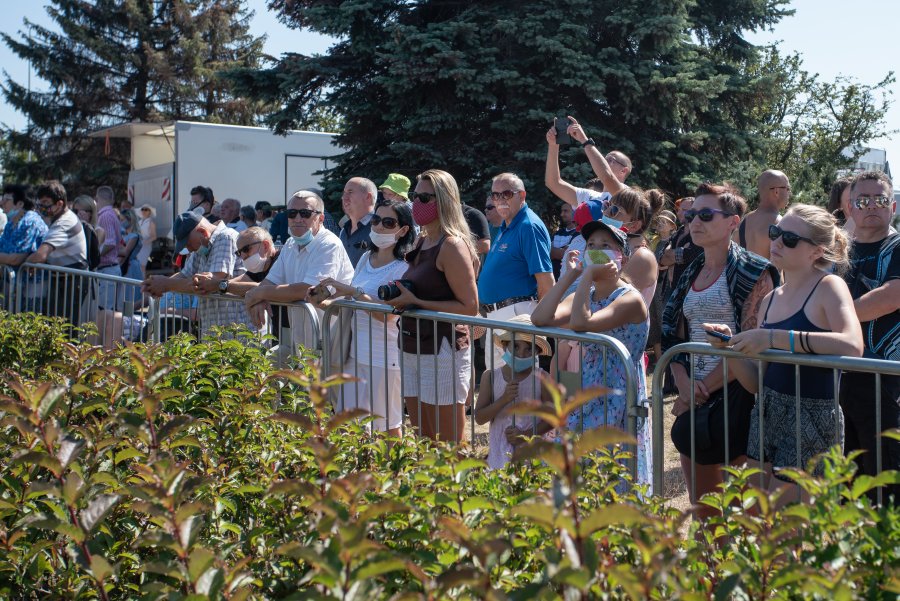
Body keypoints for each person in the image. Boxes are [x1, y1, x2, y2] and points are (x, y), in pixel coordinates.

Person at [704, 204, 863, 503]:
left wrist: (776, 338)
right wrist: (730, 349)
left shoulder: (830, 286)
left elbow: (853, 344)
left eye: (789, 239)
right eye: (776, 232)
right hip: (767, 412)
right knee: (761, 521)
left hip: (811, 417)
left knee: (789, 529)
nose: (776, 242)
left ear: (816, 251)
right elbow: (756, 384)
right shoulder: (770, 299)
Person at [662, 183, 778, 518]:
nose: (695, 221)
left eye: (706, 214)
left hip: (739, 398)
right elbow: (673, 332)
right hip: (695, 399)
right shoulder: (692, 270)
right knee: (705, 515)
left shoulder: (753, 271)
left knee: (744, 518)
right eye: (691, 214)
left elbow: (749, 341)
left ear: (732, 222)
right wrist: (682, 381)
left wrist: (699, 390)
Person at [530, 219, 652, 488]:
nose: (595, 250)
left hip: (618, 394)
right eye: (591, 245)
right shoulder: (586, 293)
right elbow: (540, 317)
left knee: (611, 471)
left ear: (621, 257)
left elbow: (581, 323)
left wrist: (585, 276)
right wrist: (571, 276)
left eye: (605, 245)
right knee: (575, 469)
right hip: (587, 390)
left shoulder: (630, 298)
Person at [383, 169, 479, 443]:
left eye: (425, 197)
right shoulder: (422, 240)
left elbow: (470, 307)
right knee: (423, 438)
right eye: (415, 196)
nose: (416, 203)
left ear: (444, 201)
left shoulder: (452, 245)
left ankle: (454, 487)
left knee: (447, 443)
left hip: (443, 349)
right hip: (413, 345)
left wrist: (417, 302)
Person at [314, 199, 416, 437]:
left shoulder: (403, 268)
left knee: (387, 427)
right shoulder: (364, 259)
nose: (379, 226)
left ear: (402, 230)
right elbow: (351, 305)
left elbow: (388, 316)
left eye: (388, 222)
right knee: (350, 425)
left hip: (384, 358)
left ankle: (394, 472)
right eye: (376, 220)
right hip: (353, 353)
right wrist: (322, 302)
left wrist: (353, 291)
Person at [839, 171, 900, 501]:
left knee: (886, 479)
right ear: (850, 207)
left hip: (886, 380)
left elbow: (891, 296)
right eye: (863, 200)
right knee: (846, 479)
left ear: (892, 207)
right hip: (837, 377)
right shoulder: (836, 252)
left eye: (879, 200)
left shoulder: (897, 247)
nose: (871, 206)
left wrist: (833, 319)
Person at [244, 190, 354, 357]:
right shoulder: (289, 244)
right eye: (292, 213)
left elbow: (309, 290)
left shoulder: (329, 244)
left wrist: (259, 293)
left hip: (331, 342)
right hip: (303, 343)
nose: (297, 219)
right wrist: (259, 297)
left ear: (321, 218)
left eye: (305, 213)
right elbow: (270, 281)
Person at [478, 172, 553, 368]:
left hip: (516, 315)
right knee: (498, 383)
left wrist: (536, 322)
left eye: (507, 194)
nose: (500, 199)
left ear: (522, 195)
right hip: (499, 315)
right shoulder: (506, 225)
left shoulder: (529, 226)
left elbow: (546, 281)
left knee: (518, 384)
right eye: (496, 195)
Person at [142, 212, 253, 339]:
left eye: (188, 244)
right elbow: (185, 275)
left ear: (203, 232)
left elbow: (209, 283)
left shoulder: (225, 237)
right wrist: (155, 285)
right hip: (214, 330)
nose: (188, 249)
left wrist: (166, 284)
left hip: (237, 331)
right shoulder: (202, 243)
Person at [475, 314, 552, 470]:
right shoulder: (490, 377)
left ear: (536, 352)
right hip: (499, 454)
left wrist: (528, 434)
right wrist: (504, 399)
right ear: (504, 345)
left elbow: (553, 417)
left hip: (532, 455)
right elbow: (479, 417)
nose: (521, 354)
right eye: (515, 346)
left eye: (529, 349)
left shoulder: (542, 378)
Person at [26, 181, 89, 327]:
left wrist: (24, 263)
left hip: (72, 283)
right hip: (63, 281)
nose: (42, 207)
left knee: (64, 329)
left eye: (46, 203)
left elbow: (41, 255)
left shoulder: (64, 223)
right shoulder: (57, 220)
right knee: (54, 325)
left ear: (59, 204)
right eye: (40, 203)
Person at [734, 170, 791, 259]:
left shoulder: (745, 220)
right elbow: (780, 266)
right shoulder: (780, 223)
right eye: (787, 188)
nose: (789, 193)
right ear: (776, 192)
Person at [0, 185, 46, 269]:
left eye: (6, 200)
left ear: (20, 204)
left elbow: (16, 259)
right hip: (12, 280)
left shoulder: (30, 222)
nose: (1, 203)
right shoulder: (10, 224)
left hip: (32, 281)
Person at [340, 177, 378, 266]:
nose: (344, 198)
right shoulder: (344, 231)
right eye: (344, 193)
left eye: (350, 192)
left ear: (368, 197)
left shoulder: (380, 228)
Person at [550, 203, 578, 281]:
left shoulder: (578, 234)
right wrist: (560, 251)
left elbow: (566, 255)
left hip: (568, 282)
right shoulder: (558, 233)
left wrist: (554, 251)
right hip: (553, 280)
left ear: (575, 212)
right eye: (562, 211)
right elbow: (546, 252)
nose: (562, 214)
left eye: (565, 211)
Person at [137, 204, 157, 276]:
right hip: (138, 245)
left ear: (149, 212)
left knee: (142, 265)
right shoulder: (139, 222)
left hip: (146, 246)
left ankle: (141, 282)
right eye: (143, 209)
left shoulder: (151, 223)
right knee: (137, 265)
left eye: (146, 209)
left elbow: (154, 236)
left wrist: (145, 242)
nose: (144, 211)